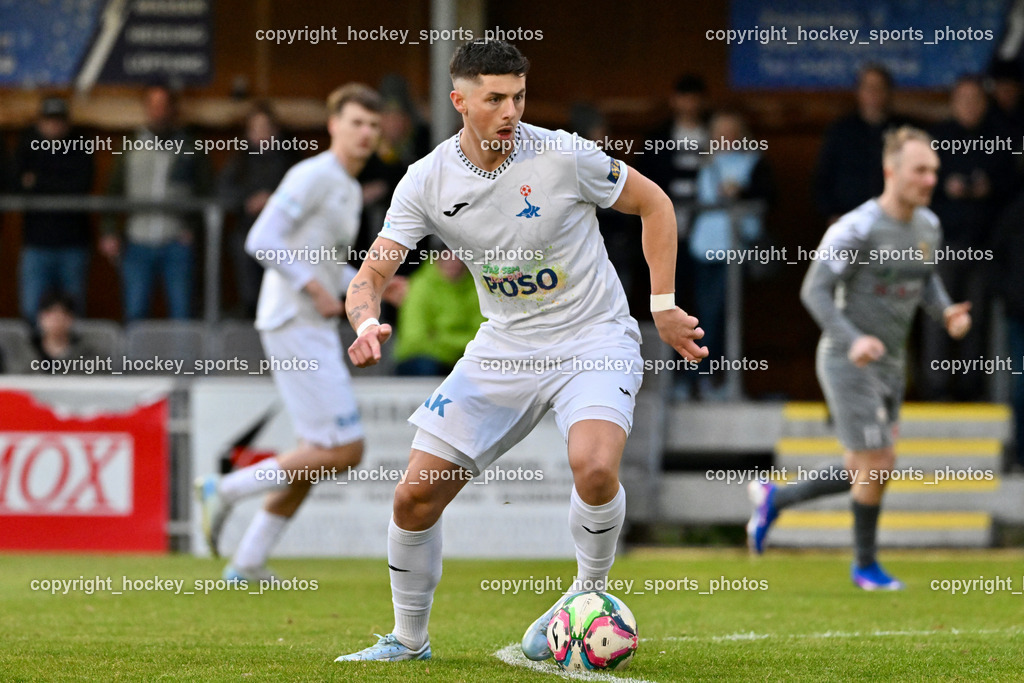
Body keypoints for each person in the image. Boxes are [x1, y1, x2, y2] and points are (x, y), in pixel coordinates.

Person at [335, 39, 707, 663]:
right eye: (494, 99)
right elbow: (369, 276)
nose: (510, 111)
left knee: (594, 468)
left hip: (593, 336)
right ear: (459, 102)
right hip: (504, 345)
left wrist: (663, 304)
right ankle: (408, 640)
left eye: (519, 97)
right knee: (414, 497)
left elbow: (655, 203)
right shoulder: (426, 179)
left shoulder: (563, 154)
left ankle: (584, 598)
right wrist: (366, 321)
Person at [747, 126, 972, 590]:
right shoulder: (857, 226)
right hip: (848, 361)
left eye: (934, 170)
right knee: (878, 461)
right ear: (891, 170)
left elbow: (925, 277)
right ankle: (865, 566)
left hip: (890, 366)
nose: (930, 180)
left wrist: (946, 311)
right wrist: (852, 340)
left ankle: (775, 500)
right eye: (920, 170)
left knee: (866, 465)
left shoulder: (928, 225)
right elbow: (814, 290)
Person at [194, 84, 401, 582]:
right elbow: (261, 238)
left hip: (310, 324)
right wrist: (313, 287)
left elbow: (322, 258)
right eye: (356, 122)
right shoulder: (312, 175)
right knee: (346, 450)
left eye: (373, 126)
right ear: (333, 125)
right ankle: (225, 489)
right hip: (292, 320)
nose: (366, 133)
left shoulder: (347, 188)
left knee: (315, 454)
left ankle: (247, 561)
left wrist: (375, 284)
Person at [920, 76, 1016, 401]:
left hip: (985, 243)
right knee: (939, 314)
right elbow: (916, 189)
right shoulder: (936, 139)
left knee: (977, 319)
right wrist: (946, 188)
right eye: (964, 99)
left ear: (985, 103)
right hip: (944, 243)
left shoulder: (999, 138)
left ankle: (971, 388)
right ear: (953, 102)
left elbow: (1013, 190)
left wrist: (989, 188)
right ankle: (936, 389)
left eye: (976, 99)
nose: (970, 105)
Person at [100, 84, 211, 322]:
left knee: (182, 313)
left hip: (176, 241)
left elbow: (206, 191)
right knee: (136, 312)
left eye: (163, 105)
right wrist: (109, 230)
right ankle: (137, 351)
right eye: (153, 105)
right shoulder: (129, 145)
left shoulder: (191, 146)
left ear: (172, 109)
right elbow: (113, 191)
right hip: (137, 241)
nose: (158, 111)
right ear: (146, 109)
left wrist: (192, 227)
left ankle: (183, 351)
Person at [688, 109, 774, 399]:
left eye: (730, 132)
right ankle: (701, 379)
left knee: (725, 316)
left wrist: (741, 192)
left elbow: (768, 197)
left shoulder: (754, 163)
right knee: (703, 316)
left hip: (735, 250)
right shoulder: (704, 163)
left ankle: (721, 379)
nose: (724, 138)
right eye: (719, 132)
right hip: (702, 249)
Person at [13, 96, 95, 320]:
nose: (54, 125)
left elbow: (81, 186)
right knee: (31, 311)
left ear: (68, 123)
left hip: (73, 243)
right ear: (40, 122)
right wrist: (60, 183)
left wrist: (38, 182)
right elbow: (16, 183)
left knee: (74, 313)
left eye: (59, 120)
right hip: (36, 243)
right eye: (49, 120)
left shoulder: (80, 142)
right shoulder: (27, 142)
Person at [217, 102, 296, 318]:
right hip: (248, 229)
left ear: (275, 130)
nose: (261, 133)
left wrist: (273, 200)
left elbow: (304, 194)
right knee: (243, 255)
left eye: (265, 127)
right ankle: (250, 312)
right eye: (255, 128)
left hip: (285, 234)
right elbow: (223, 189)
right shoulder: (240, 161)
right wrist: (247, 201)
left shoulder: (291, 159)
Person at [813, 65, 913, 225]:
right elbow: (823, 179)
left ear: (889, 92)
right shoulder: (840, 131)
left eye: (879, 87)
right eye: (868, 87)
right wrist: (831, 213)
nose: (874, 93)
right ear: (858, 92)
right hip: (848, 218)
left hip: (896, 219)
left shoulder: (905, 131)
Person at [393, 247, 485, 376]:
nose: (453, 263)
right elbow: (415, 338)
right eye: (447, 258)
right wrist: (458, 348)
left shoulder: (477, 288)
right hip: (424, 357)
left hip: (464, 356)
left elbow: (483, 332)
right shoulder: (421, 286)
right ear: (437, 258)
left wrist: (438, 338)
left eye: (458, 258)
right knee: (428, 368)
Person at [2, 291, 97, 374]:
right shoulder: (25, 351)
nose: (56, 321)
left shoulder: (87, 354)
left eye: (62, 315)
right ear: (40, 317)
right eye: (50, 314)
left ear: (71, 319)